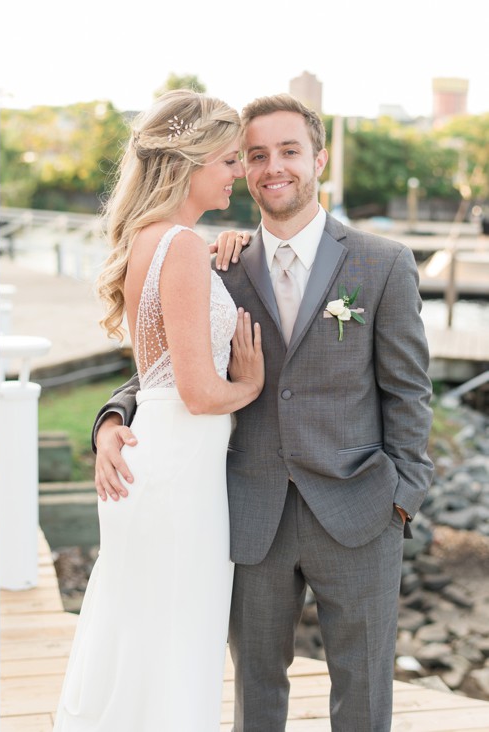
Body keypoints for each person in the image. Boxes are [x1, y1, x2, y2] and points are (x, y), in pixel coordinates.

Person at [93, 94, 434, 731]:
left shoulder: (382, 263)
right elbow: (164, 362)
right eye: (254, 155)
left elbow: (410, 391)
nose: (272, 166)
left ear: (319, 159)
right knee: (254, 696)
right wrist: (111, 420)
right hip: (246, 515)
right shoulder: (217, 261)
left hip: (360, 510)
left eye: (289, 151)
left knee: (364, 693)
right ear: (240, 168)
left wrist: (403, 496)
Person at [53, 90, 265, 731]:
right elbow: (200, 391)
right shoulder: (177, 246)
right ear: (191, 160)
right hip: (179, 468)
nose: (239, 175)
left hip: (167, 454)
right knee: (177, 632)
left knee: (144, 627)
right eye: (229, 160)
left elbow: (161, 374)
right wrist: (249, 385)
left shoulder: (156, 239)